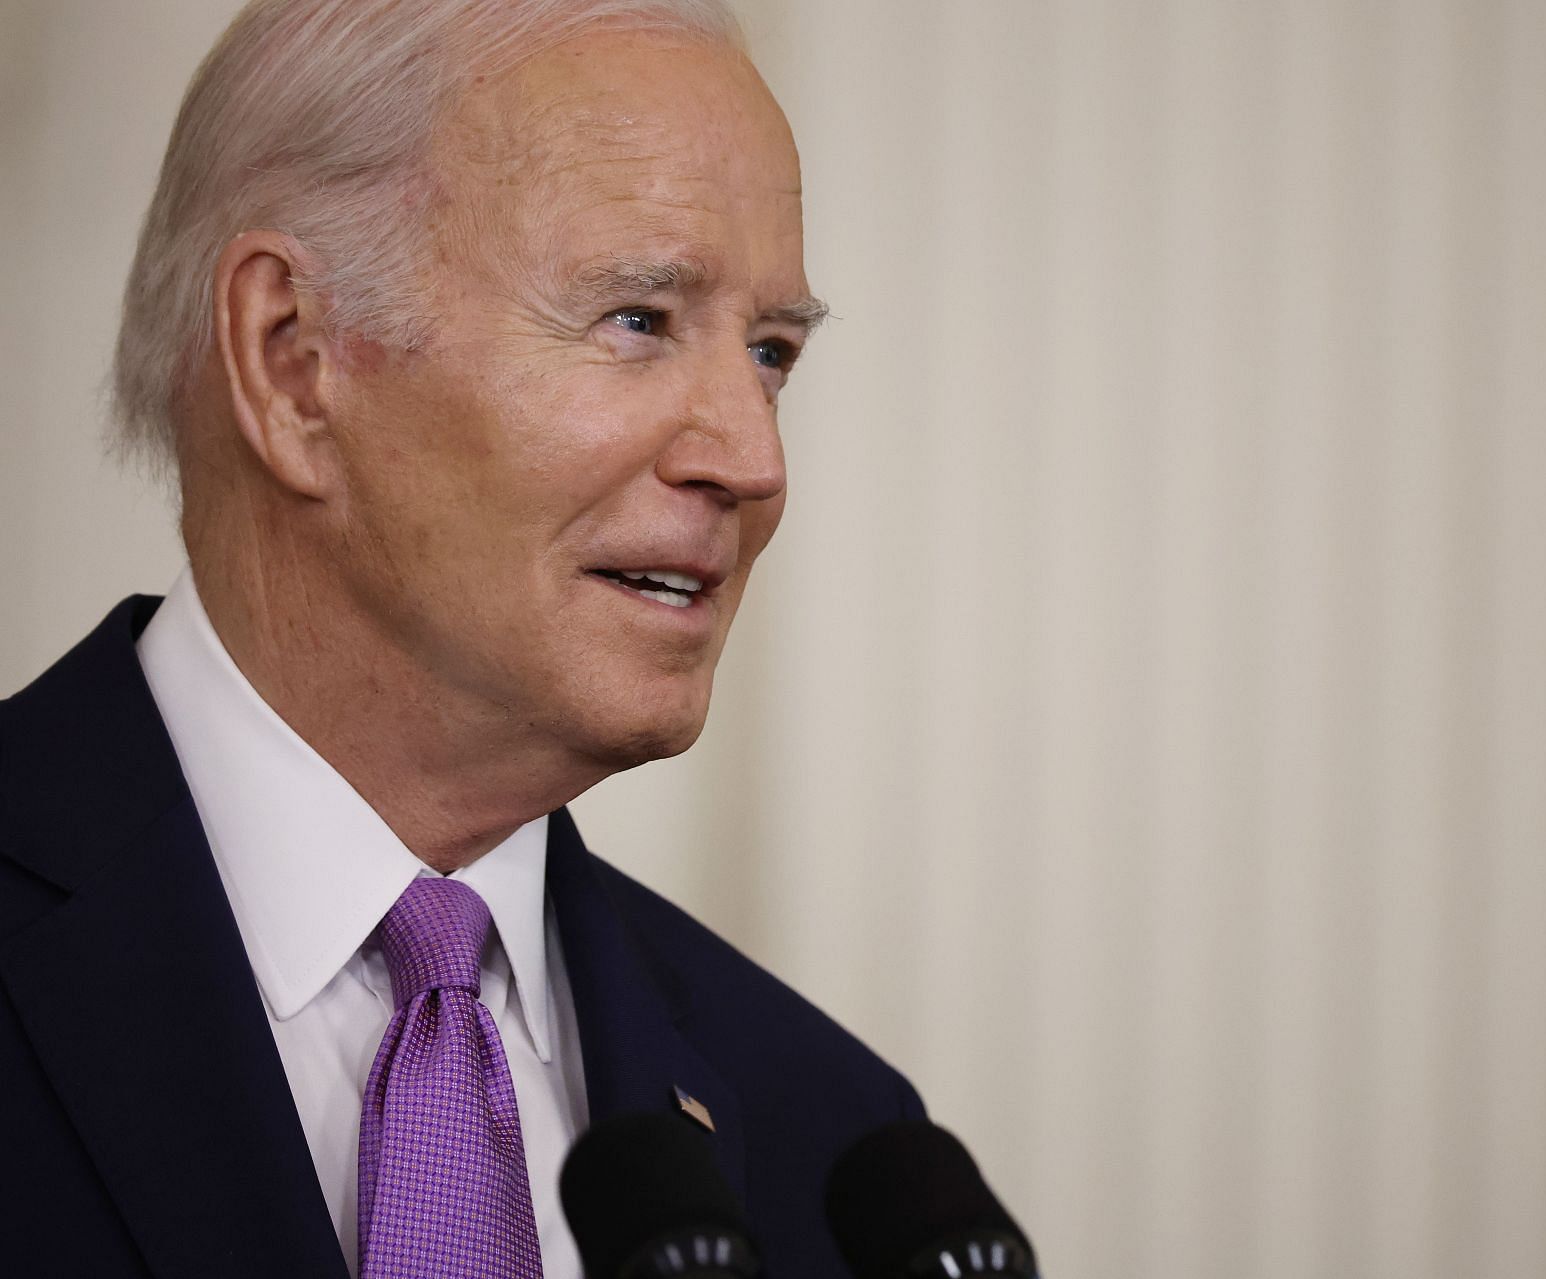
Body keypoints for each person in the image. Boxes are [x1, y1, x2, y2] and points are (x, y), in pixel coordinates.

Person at [0, 2, 923, 1276]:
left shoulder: (839, 1149)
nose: (753, 460)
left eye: (770, 353)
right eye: (639, 320)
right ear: (293, 360)